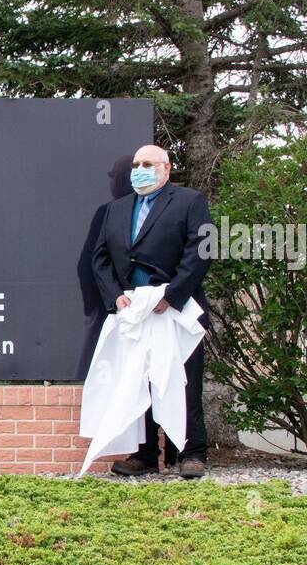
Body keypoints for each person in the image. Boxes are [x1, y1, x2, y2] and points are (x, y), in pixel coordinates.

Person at [90, 145, 213, 478]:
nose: (140, 169)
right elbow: (99, 259)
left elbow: (200, 251)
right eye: (135, 164)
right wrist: (116, 297)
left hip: (176, 311)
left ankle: (193, 453)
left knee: (183, 380)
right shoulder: (115, 210)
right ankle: (144, 455)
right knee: (138, 381)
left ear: (166, 168)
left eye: (147, 164)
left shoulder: (190, 202)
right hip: (133, 313)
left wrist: (172, 296)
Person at [76, 153, 134, 379]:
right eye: (113, 176)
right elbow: (90, 262)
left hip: (146, 310)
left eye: (117, 176)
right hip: (108, 308)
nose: (114, 182)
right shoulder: (107, 212)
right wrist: (100, 304)